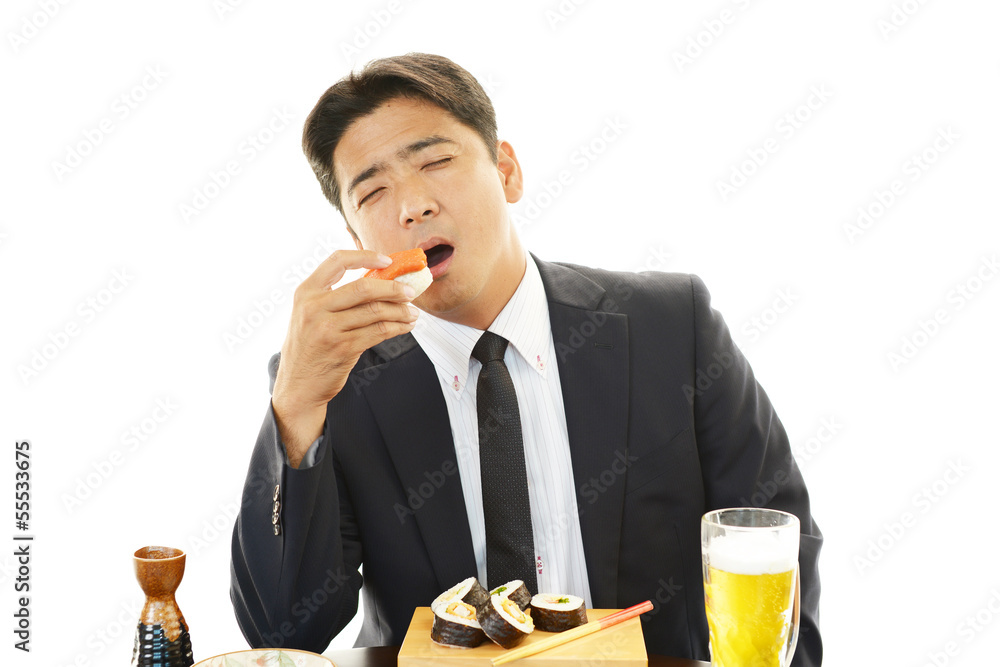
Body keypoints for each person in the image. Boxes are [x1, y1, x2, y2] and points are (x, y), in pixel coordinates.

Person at [230, 52, 823, 665]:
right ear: (357, 239)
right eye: (373, 191)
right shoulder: (336, 380)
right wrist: (295, 404)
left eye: (435, 161)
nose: (412, 206)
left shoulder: (673, 325)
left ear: (507, 172)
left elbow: (776, 537)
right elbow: (282, 630)